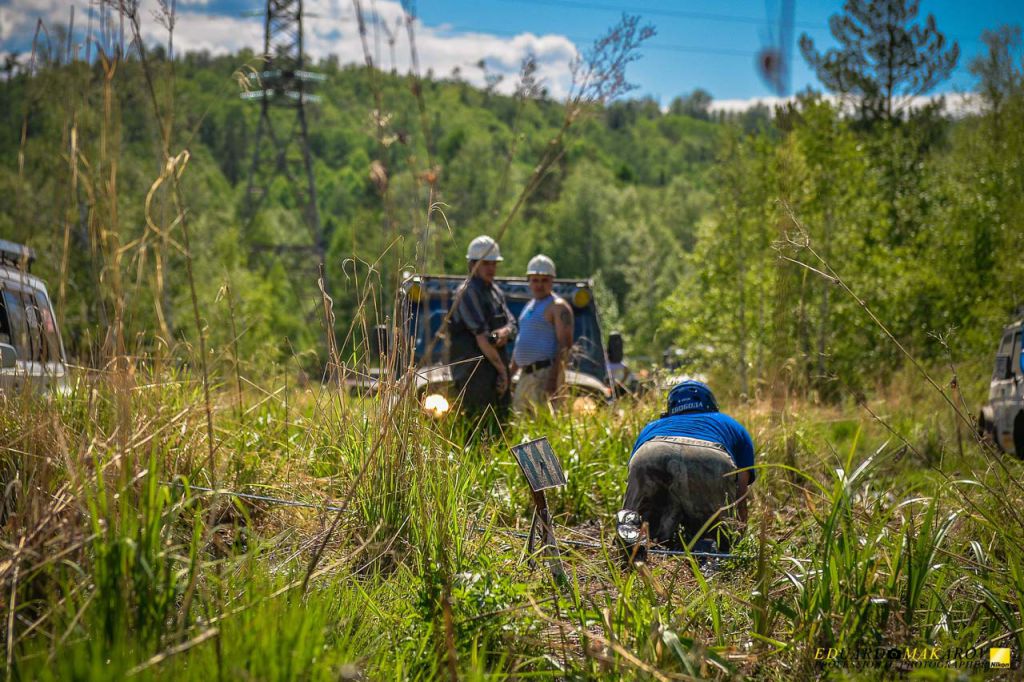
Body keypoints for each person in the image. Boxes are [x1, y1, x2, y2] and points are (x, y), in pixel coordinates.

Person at [616, 380, 755, 560]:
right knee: (716, 534)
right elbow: (741, 493)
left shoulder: (653, 426)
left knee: (643, 524)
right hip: (708, 455)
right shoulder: (730, 424)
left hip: (651, 450)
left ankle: (636, 540)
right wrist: (738, 537)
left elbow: (634, 474)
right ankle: (707, 544)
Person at [447, 235, 518, 420]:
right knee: (476, 425)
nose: (491, 268)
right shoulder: (466, 292)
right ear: (472, 265)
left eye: (494, 264)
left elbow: (513, 324)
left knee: (502, 424)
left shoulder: (495, 292)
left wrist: (504, 332)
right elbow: (481, 337)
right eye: (485, 263)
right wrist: (503, 372)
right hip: (472, 374)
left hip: (496, 371)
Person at [510, 254, 574, 412]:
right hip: (525, 375)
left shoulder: (557, 306)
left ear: (552, 281)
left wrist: (553, 378)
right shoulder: (529, 306)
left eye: (544, 280)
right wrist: (510, 373)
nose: (539, 285)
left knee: (542, 422)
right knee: (521, 422)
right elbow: (521, 342)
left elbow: (565, 344)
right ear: (529, 281)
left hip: (544, 374)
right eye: (535, 280)